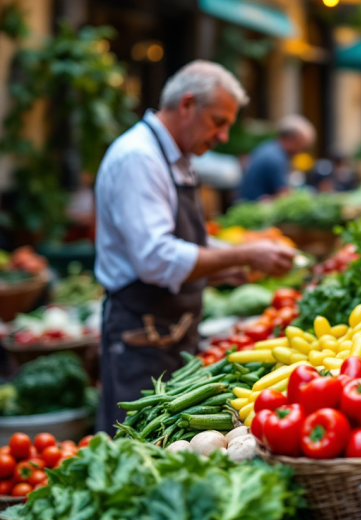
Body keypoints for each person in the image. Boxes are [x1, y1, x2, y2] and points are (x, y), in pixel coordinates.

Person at [94, 61, 295, 433]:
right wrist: (246, 253)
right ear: (187, 105)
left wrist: (225, 263)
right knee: (136, 442)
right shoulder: (139, 158)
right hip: (140, 332)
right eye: (218, 122)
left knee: (167, 443)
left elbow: (187, 243)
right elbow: (155, 259)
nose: (222, 136)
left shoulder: (178, 158)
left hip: (172, 330)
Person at [240, 115, 316, 200]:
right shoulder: (275, 158)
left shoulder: (270, 148)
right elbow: (283, 195)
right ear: (291, 139)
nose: (300, 152)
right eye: (302, 146)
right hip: (254, 206)